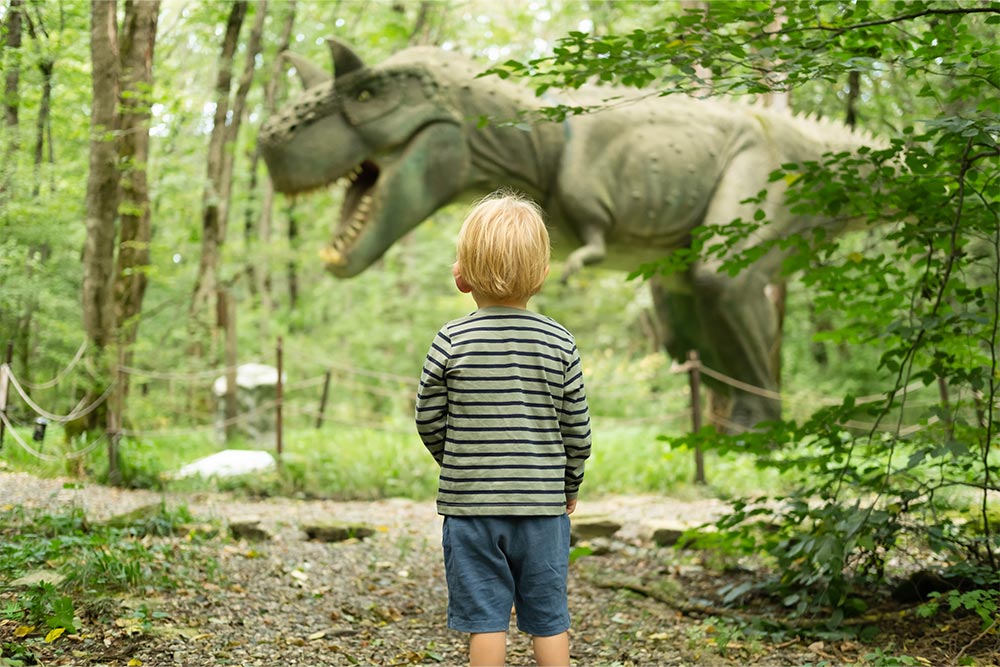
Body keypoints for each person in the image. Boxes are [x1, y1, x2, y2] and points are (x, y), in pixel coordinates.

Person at [415, 190, 592, 667]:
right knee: (549, 617)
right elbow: (577, 428)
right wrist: (568, 483)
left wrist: (460, 460)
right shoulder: (559, 342)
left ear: (462, 276)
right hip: (542, 508)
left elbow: (428, 417)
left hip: (471, 510)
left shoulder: (451, 340)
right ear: (541, 273)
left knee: (485, 619)